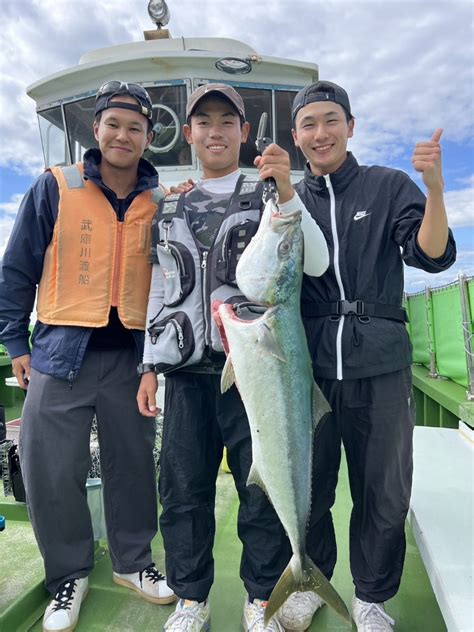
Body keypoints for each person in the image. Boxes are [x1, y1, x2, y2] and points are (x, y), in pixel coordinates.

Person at [257, 80, 456, 632]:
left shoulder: (388, 186)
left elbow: (432, 255)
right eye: (308, 125)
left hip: (381, 366)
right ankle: (308, 582)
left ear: (350, 126)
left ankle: (371, 597)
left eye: (330, 121)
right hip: (311, 371)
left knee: (384, 493)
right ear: (296, 137)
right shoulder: (288, 199)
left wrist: (434, 188)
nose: (320, 134)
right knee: (310, 487)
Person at [136, 83, 329, 632]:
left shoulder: (269, 192)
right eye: (204, 122)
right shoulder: (169, 202)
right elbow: (160, 287)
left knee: (261, 489)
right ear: (189, 134)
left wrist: (287, 188)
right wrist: (150, 364)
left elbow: (310, 263)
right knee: (182, 491)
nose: (215, 131)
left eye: (227, 122)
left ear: (244, 133)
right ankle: (191, 599)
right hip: (187, 373)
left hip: (255, 371)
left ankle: (261, 596)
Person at [0, 81, 176, 632]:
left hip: (131, 358)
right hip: (58, 354)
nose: (123, 135)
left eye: (136, 127)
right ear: (95, 130)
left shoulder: (161, 200)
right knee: (52, 471)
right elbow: (18, 267)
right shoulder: (54, 187)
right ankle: (68, 576)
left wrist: (155, 361)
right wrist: (15, 342)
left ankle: (133, 562)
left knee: (132, 465)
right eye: (114, 125)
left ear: (149, 137)